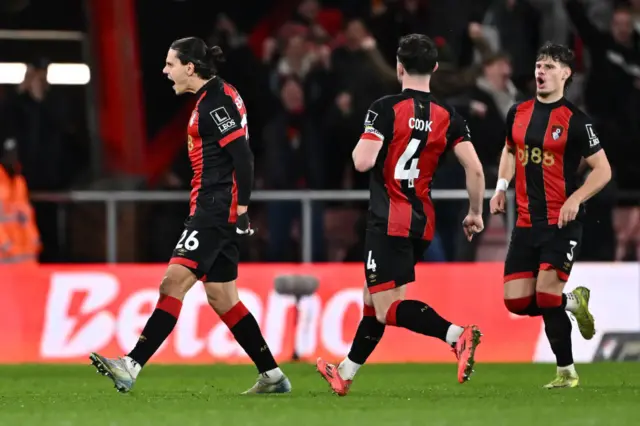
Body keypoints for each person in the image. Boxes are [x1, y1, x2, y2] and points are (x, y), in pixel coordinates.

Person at [89, 37, 291, 395]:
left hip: (214, 208)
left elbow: (243, 157)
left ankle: (131, 364)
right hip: (216, 206)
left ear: (190, 68)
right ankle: (272, 376)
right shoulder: (220, 94)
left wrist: (241, 210)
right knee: (222, 297)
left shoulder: (214, 103)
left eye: (170, 64)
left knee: (173, 282)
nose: (165, 71)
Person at [316, 34, 486, 397]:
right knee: (372, 297)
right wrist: (475, 212)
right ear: (436, 68)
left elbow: (362, 162)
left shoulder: (384, 108)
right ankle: (345, 372)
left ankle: (457, 336)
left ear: (398, 66)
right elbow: (474, 169)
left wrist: (365, 141)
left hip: (388, 218)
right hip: (422, 222)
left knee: (385, 307)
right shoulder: (448, 116)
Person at [490, 42, 612, 389]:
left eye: (548, 66)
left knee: (545, 296)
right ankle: (573, 301)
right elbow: (510, 150)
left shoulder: (575, 120)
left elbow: (602, 170)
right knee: (515, 301)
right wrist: (500, 187)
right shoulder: (518, 112)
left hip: (562, 222)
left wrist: (576, 197)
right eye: (538, 65)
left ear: (565, 73)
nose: (540, 72)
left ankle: (566, 373)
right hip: (526, 223)